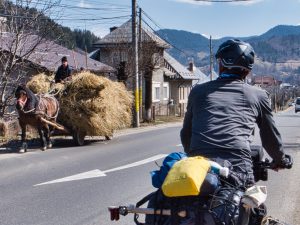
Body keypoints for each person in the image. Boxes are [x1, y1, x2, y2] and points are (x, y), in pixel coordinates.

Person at [180, 39, 292, 187]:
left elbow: (186, 134)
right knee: (250, 204)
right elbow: (269, 135)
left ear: (221, 64)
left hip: (198, 168)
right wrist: (280, 159)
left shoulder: (198, 91)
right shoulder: (258, 95)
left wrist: (193, 153)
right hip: (239, 166)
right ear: (247, 70)